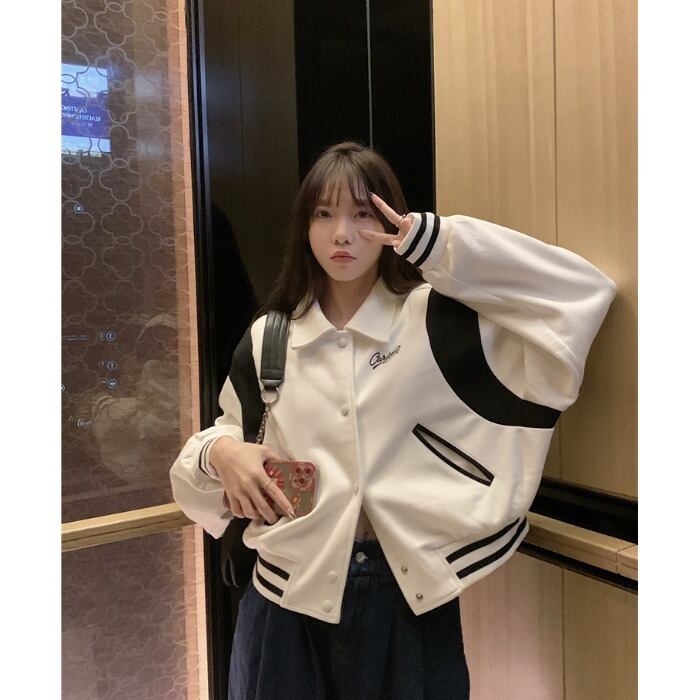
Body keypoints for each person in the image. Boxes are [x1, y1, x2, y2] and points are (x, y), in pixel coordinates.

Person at [170, 141, 617, 699]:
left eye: (363, 213)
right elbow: (207, 462)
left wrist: (437, 243)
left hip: (408, 602)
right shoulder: (272, 338)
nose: (342, 234)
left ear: (391, 219)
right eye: (324, 214)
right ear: (304, 227)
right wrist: (220, 451)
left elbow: (578, 295)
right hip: (284, 603)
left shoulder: (438, 320)